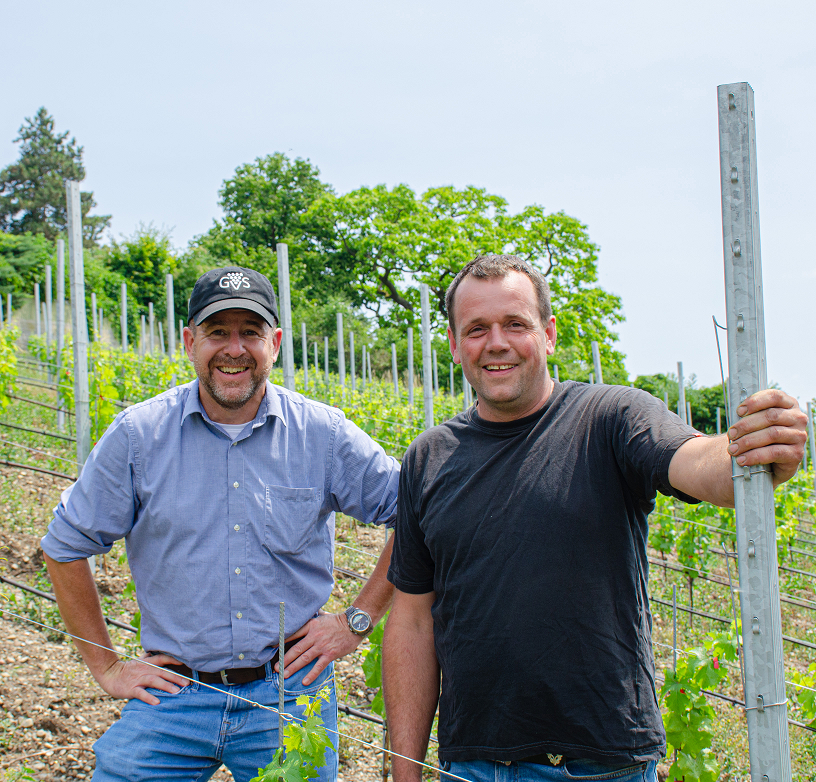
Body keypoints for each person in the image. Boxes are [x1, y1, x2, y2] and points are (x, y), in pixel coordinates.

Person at [382, 254, 806, 782]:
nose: (496, 343)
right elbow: (412, 621)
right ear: (453, 343)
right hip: (474, 766)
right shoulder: (428, 458)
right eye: (476, 329)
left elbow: (694, 463)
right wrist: (402, 770)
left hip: (603, 765)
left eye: (516, 324)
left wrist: (750, 451)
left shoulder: (610, 418)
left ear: (549, 334)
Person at [42, 266, 399, 782]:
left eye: (250, 332)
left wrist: (356, 620)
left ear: (274, 343)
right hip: (175, 695)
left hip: (289, 693)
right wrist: (106, 665)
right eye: (217, 332)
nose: (234, 348)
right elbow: (65, 545)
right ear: (190, 342)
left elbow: (413, 514)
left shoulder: (322, 434)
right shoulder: (140, 436)